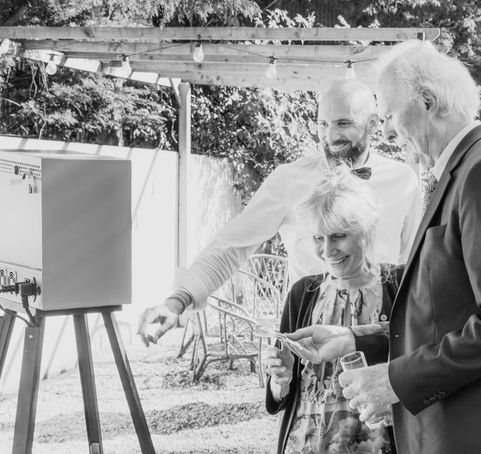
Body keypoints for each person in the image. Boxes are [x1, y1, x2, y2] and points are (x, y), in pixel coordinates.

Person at [287, 40, 481, 454]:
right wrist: (354, 338)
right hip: (464, 445)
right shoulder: (460, 171)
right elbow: (444, 312)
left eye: (392, 116)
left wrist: (394, 380)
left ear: (429, 102)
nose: (387, 133)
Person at [137, 79, 421, 345]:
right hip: (307, 331)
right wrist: (179, 300)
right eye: (323, 124)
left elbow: (413, 265)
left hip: (381, 333)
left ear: (372, 123)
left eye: (344, 123)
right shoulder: (290, 180)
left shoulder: (404, 181)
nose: (331, 136)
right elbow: (232, 245)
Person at [263, 167, 405, 454]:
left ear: (367, 229)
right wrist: (280, 380)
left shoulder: (399, 286)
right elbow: (281, 395)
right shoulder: (303, 293)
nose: (327, 251)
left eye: (339, 236)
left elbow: (420, 362)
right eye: (318, 238)